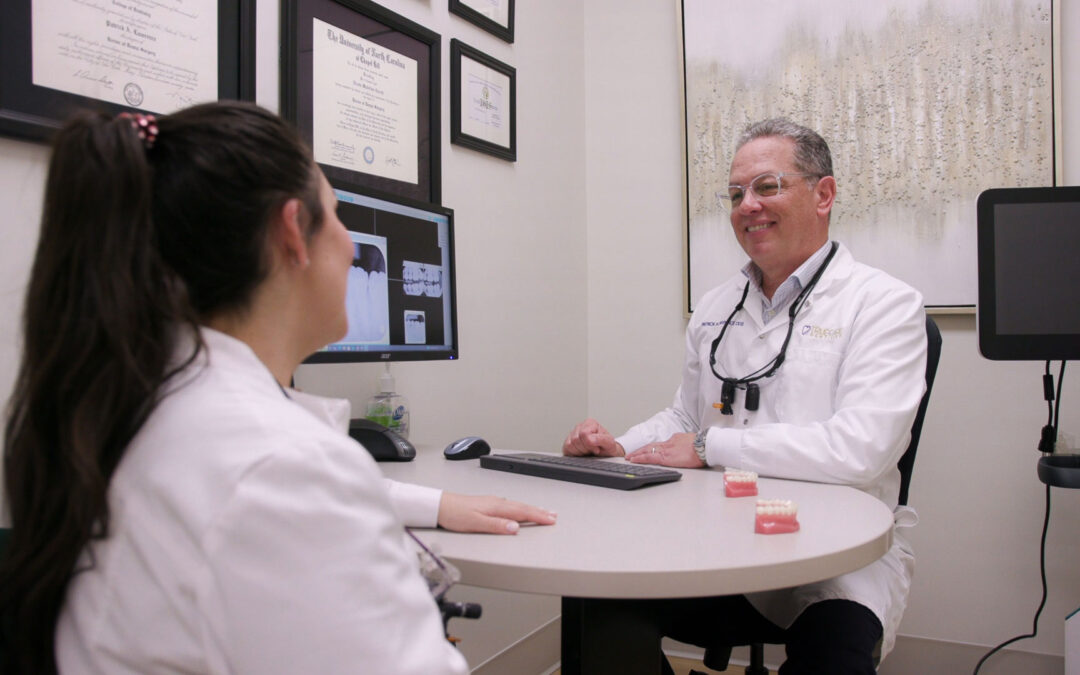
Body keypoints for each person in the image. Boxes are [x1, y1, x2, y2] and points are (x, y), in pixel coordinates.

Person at [0, 101, 554, 675]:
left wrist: (434, 504)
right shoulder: (281, 466)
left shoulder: (145, 404)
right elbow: (288, 483)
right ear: (292, 231)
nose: (349, 244)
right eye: (338, 216)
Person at [563, 118, 927, 674]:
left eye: (767, 186)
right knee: (595, 604)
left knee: (835, 654)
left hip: (831, 560)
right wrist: (620, 450)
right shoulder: (717, 305)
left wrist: (712, 447)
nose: (747, 206)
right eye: (736, 194)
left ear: (823, 194)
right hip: (718, 537)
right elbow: (685, 414)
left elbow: (861, 451)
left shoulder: (884, 305)